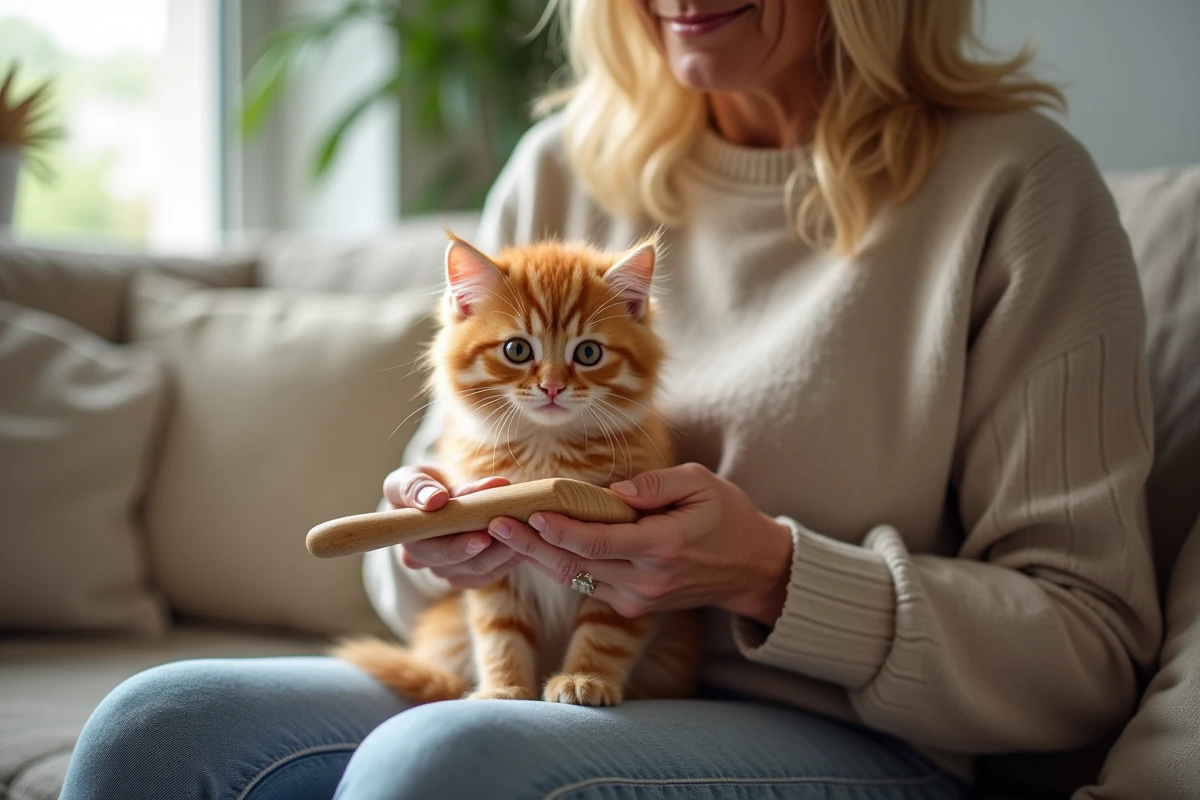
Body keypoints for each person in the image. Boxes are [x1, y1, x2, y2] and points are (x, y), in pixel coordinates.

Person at [60, 1, 1162, 798]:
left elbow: (1087, 652)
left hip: (856, 731)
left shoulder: (1019, 189)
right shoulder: (562, 169)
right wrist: (430, 537)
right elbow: (436, 502)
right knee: (155, 726)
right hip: (529, 666)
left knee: (442, 762)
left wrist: (774, 572)